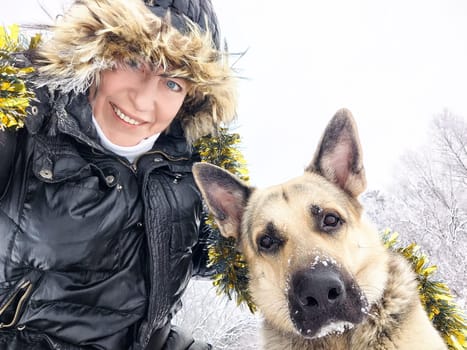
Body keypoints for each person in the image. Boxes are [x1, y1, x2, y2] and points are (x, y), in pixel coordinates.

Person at [0, 0, 237, 349]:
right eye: (132, 61)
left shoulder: (189, 173)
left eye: (172, 83)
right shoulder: (23, 126)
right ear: (95, 52)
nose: (142, 101)